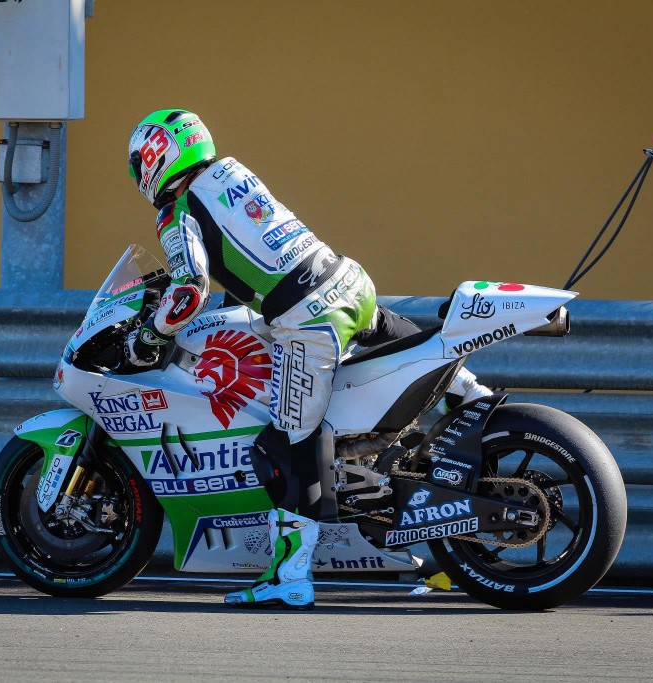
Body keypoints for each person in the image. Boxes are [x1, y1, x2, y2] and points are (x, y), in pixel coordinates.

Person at [124, 109, 490, 609]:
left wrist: (149, 335)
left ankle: (291, 577)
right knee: (384, 329)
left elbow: (191, 287)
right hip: (348, 284)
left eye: (136, 163)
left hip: (310, 320)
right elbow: (250, 250)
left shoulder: (176, 210)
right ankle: (469, 393)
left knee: (284, 448)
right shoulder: (232, 172)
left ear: (155, 157)